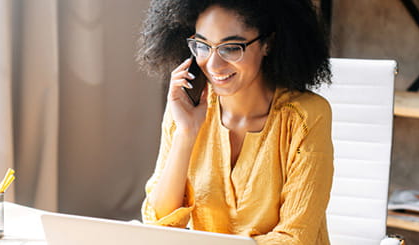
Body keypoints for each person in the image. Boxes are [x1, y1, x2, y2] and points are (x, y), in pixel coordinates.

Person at [136, 0, 333, 244]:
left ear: (267, 44)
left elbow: (295, 238)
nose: (213, 64)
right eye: (202, 45)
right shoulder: (187, 110)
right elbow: (158, 224)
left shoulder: (306, 116)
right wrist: (186, 133)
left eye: (230, 48)